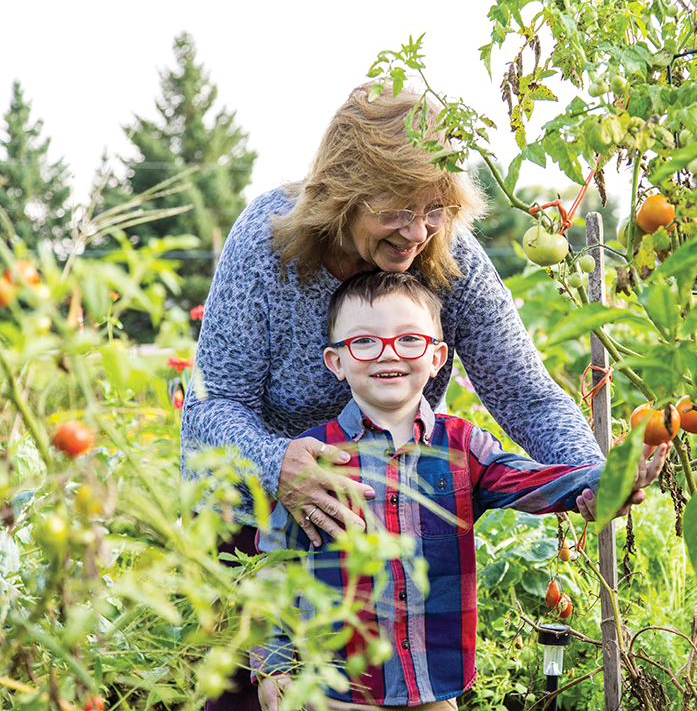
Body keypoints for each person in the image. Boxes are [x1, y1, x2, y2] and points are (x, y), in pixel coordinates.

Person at [180, 81, 639, 708]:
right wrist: (274, 461)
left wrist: (591, 476)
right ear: (341, 196)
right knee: (249, 694)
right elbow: (211, 406)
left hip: (388, 518)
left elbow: (525, 394)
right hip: (261, 525)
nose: (418, 231)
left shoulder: (451, 259)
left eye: (436, 209)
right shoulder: (267, 244)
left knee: (398, 689)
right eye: (396, 210)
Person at [249, 271, 670, 710]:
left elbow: (530, 481)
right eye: (364, 342)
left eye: (409, 339)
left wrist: (609, 479)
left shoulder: (463, 446)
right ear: (336, 361)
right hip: (340, 692)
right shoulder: (316, 462)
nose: (387, 353)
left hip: (435, 687)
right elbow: (277, 565)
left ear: (437, 358)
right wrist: (271, 664)